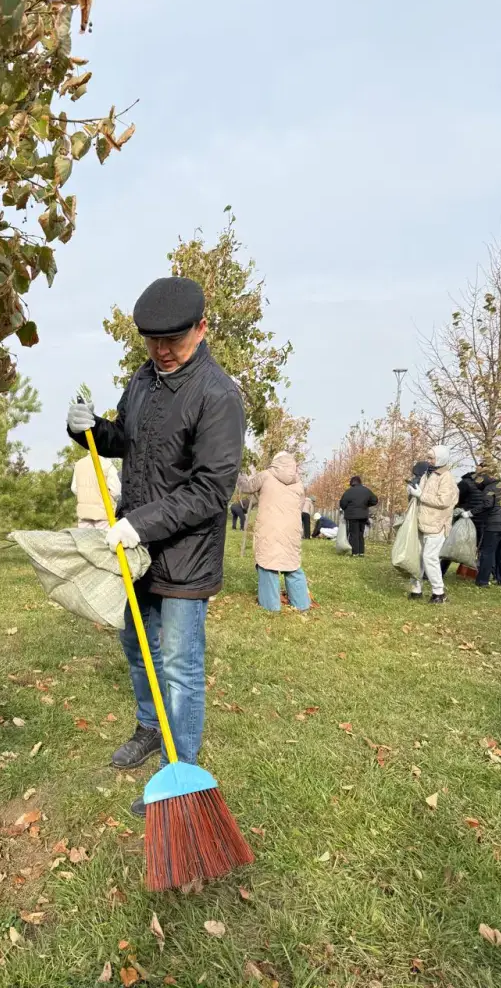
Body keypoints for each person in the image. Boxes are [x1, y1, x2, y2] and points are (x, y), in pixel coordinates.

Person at [66, 276, 245, 817]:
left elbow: (211, 490)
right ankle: (149, 726)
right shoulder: (143, 379)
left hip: (185, 555)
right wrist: (90, 428)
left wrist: (139, 523)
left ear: (202, 328)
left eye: (173, 341)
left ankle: (180, 766)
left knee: (180, 663)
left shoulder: (219, 395)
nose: (162, 352)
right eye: (152, 341)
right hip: (138, 551)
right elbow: (126, 440)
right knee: (136, 646)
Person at [239, 452, 311, 612]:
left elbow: (247, 487)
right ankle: (301, 604)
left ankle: (270, 605)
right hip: (292, 529)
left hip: (269, 527)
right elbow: (299, 506)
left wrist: (241, 475)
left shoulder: (265, 475)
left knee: (268, 564)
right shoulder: (299, 483)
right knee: (292, 564)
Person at [407, 445, 459, 603]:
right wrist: (412, 491)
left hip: (436, 524)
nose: (428, 460)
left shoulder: (446, 477)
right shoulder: (428, 474)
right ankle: (416, 589)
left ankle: (439, 593)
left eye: (432, 458)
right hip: (422, 521)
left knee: (430, 557)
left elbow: (444, 501)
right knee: (418, 557)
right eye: (428, 457)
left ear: (441, 458)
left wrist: (420, 495)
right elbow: (422, 493)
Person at [440, 471, 488, 576]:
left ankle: (441, 572)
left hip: (473, 519)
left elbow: (456, 498)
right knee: (457, 545)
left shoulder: (471, 483)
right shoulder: (474, 483)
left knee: (456, 544)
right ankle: (481, 576)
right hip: (473, 519)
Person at [475, 472, 501, 587]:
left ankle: (483, 581)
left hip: (494, 525)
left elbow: (487, 504)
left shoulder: (490, 488)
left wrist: (471, 512)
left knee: (487, 553)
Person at [71, 453, 121, 528]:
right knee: (103, 539)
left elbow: (74, 488)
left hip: (84, 513)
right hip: (104, 513)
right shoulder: (107, 465)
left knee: (85, 539)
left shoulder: (79, 464)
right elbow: (116, 491)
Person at [338, 476, 378, 557]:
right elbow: (375, 500)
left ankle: (355, 553)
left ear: (351, 483)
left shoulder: (348, 492)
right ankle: (361, 552)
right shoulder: (366, 490)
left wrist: (347, 508)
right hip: (363, 515)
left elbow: (342, 504)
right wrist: (366, 505)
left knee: (353, 534)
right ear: (360, 482)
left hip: (352, 516)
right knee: (360, 533)